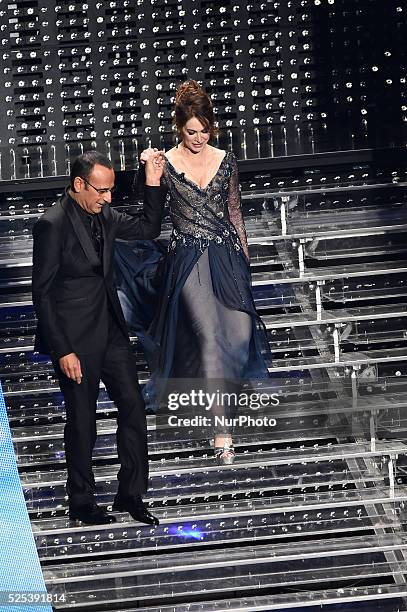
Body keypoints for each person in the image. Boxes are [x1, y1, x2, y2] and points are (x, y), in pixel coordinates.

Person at [116, 81, 271, 464]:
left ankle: (221, 415)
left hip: (227, 256)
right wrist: (147, 172)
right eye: (191, 132)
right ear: (178, 128)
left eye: (204, 131)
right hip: (187, 259)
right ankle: (224, 435)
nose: (198, 138)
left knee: (238, 334)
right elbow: (147, 209)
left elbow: (235, 214)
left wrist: (245, 265)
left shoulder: (226, 159)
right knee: (208, 337)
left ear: (211, 127)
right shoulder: (165, 162)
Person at [31, 150, 166, 525]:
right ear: (79, 184)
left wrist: (152, 181)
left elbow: (147, 229)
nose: (108, 198)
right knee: (82, 420)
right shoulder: (52, 224)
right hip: (74, 340)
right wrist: (63, 351)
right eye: (102, 190)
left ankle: (131, 495)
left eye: (110, 190)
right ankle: (82, 502)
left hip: (110, 331)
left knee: (134, 409)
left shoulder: (104, 214)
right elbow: (41, 293)